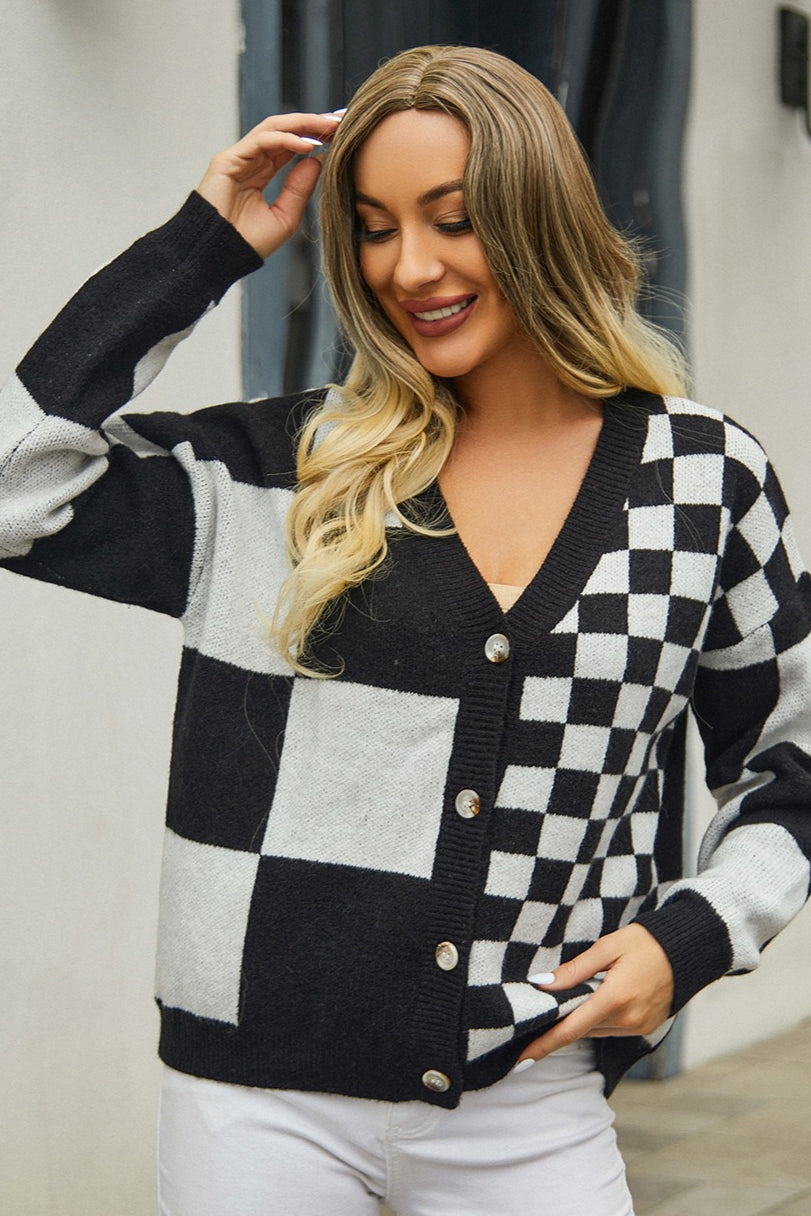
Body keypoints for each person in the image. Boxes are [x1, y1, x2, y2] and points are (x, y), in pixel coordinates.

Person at [1, 42, 810, 1216]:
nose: (409, 267)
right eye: (373, 228)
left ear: (537, 216)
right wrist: (201, 246)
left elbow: (789, 767)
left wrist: (691, 936)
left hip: (529, 1089)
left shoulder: (702, 482)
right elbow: (14, 487)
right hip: (256, 1103)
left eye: (453, 218)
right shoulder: (275, 475)